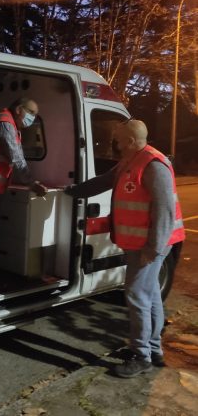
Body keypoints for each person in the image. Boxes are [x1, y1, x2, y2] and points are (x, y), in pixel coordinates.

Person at [65, 119, 185, 378]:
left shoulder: (153, 165)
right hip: (140, 243)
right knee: (150, 294)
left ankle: (141, 356)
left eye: (118, 140)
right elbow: (103, 181)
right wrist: (70, 191)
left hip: (152, 245)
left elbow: (164, 212)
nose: (115, 144)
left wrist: (152, 249)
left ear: (131, 142)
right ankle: (154, 350)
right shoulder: (131, 160)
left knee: (136, 295)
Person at [0, 98, 48, 196]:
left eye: (35, 115)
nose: (33, 118)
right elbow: (16, 157)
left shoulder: (12, 124)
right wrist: (31, 183)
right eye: (31, 113)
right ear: (18, 110)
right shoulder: (6, 123)